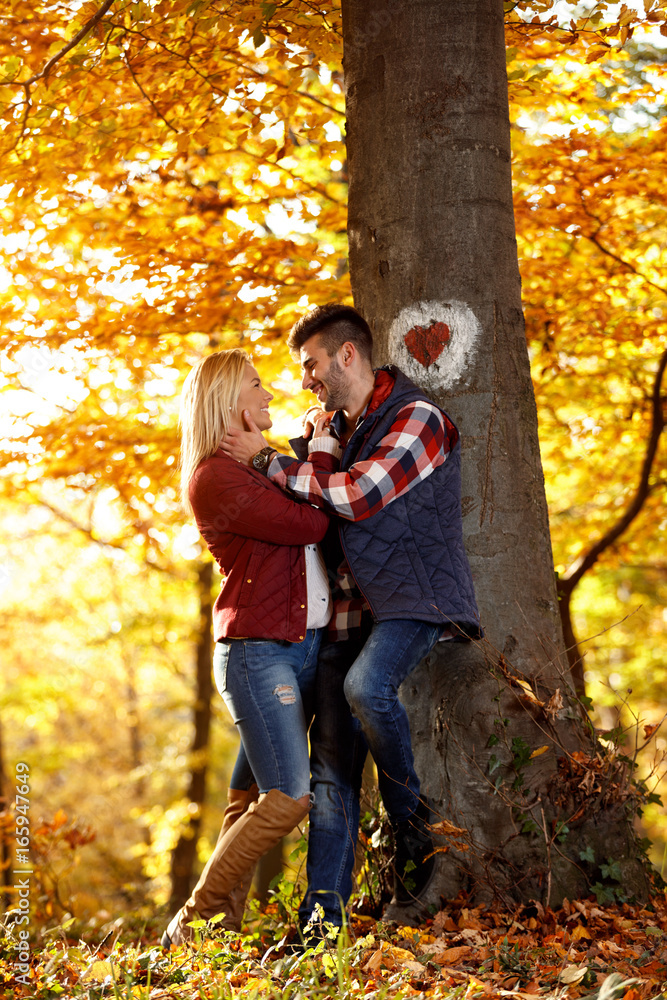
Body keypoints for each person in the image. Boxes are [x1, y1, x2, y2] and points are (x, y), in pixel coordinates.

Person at [220, 303, 482, 930]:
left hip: (413, 601)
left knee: (367, 687)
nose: (305, 379)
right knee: (330, 774)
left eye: (311, 365)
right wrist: (311, 447)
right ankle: (321, 922)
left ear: (346, 355)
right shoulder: (338, 429)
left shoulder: (417, 419)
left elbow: (358, 498)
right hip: (345, 616)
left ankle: (414, 830)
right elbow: (307, 508)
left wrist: (266, 459)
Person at [162, 348, 334, 948]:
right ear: (230, 400)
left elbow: (310, 488)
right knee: (288, 796)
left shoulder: (262, 462)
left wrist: (295, 453)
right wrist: (292, 464)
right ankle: (193, 921)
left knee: (245, 803)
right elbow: (314, 521)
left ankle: (214, 940)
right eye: (256, 384)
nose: (268, 393)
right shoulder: (215, 476)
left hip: (300, 643)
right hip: (259, 651)